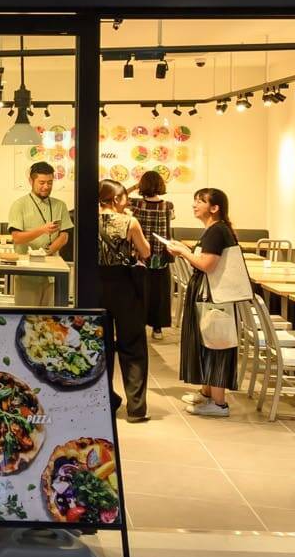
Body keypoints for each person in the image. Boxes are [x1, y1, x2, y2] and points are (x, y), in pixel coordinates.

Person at [164, 187, 252, 417]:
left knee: (216, 344)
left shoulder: (217, 231)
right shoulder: (214, 230)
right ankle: (207, 393)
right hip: (208, 294)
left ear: (214, 208)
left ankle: (219, 403)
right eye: (195, 200)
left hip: (214, 296)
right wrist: (184, 250)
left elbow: (206, 265)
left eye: (200, 201)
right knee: (207, 341)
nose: (194, 205)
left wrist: (183, 252)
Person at [96, 181, 153, 422]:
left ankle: (105, 401)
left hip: (96, 285)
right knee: (133, 345)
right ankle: (136, 408)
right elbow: (146, 251)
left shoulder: (88, 220)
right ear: (117, 199)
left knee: (100, 345)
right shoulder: (130, 222)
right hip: (124, 286)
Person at [129, 171, 176, 334]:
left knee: (138, 290)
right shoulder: (168, 205)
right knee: (159, 292)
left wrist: (134, 187)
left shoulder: (136, 204)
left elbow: (117, 195)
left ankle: (139, 325)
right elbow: (171, 221)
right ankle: (157, 328)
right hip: (160, 254)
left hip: (139, 252)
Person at [3, 161, 71, 258]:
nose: (46, 187)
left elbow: (64, 236)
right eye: (42, 183)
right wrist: (42, 230)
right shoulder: (19, 205)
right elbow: (17, 238)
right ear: (31, 181)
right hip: (26, 262)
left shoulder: (61, 205)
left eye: (50, 183)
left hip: (52, 261)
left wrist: (46, 252)